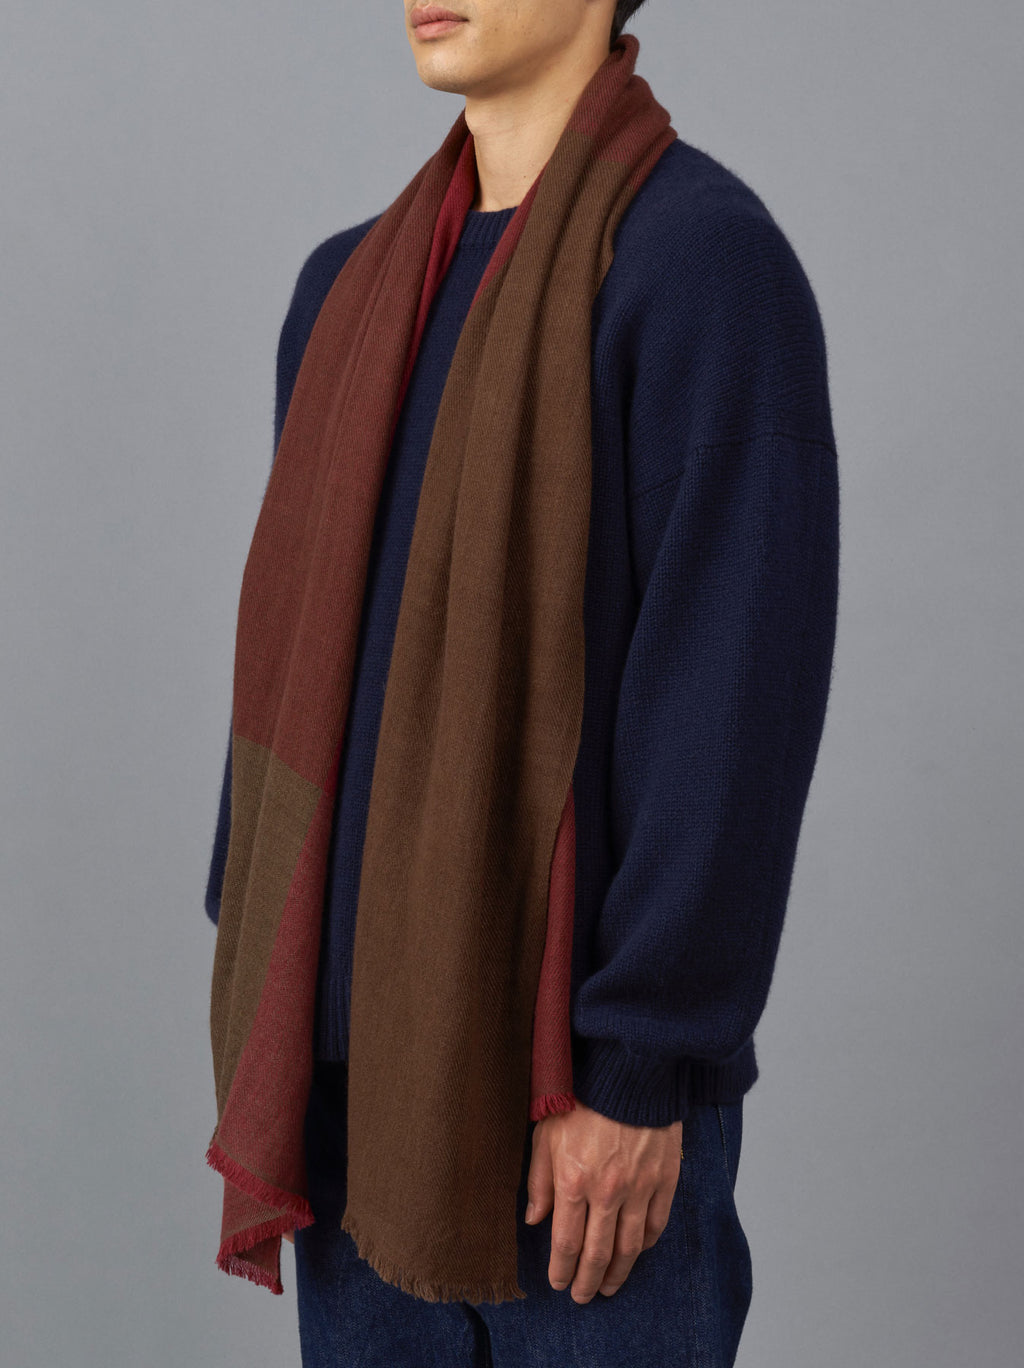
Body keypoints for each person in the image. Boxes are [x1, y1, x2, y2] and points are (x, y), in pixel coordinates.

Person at [204, 2, 839, 1363]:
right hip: (357, 1080)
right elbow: (305, 665)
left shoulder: (701, 266)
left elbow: (732, 704)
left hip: (578, 1096)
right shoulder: (344, 291)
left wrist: (643, 1065)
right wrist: (270, 983)